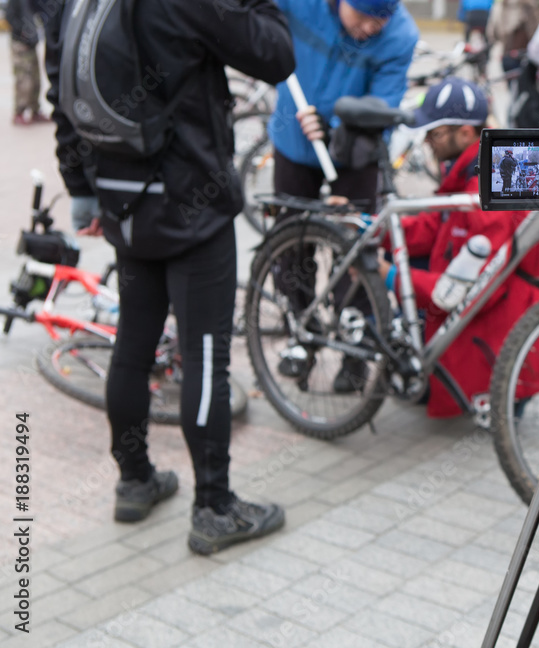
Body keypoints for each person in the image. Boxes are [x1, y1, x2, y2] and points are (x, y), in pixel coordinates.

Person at [45, 0, 296, 554]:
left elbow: (58, 86)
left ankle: (134, 479)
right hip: (192, 204)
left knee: (133, 347)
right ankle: (213, 506)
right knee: (205, 355)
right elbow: (275, 55)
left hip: (122, 200)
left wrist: (80, 185)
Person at [302, 78, 539, 418]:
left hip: (502, 357)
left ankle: (477, 390)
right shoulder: (481, 168)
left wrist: (388, 275)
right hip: (498, 328)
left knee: (408, 362)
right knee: (416, 264)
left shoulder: (487, 193)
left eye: (434, 133)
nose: (426, 142)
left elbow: (476, 291)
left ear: (465, 133)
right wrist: (367, 225)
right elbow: (436, 227)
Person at [269, 0, 418, 213]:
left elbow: (384, 101)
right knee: (291, 233)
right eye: (362, 15)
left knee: (356, 234)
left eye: (379, 21)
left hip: (356, 152)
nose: (368, 28)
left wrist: (335, 129)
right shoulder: (303, 4)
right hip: (294, 141)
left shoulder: (400, 36)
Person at [7, 0, 48, 126]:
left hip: (31, 42)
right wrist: (21, 33)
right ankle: (19, 112)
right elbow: (10, 17)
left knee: (35, 78)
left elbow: (39, 11)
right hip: (21, 43)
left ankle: (35, 110)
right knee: (23, 79)